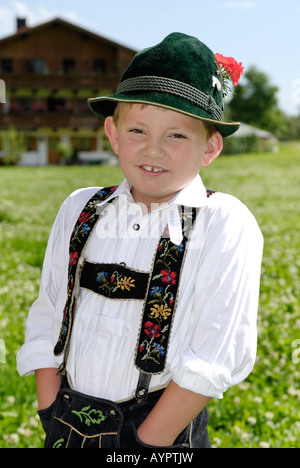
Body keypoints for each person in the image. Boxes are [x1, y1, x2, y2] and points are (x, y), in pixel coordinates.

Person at [17, 33, 263, 448]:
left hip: (160, 432)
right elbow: (49, 312)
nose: (154, 149)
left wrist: (144, 442)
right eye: (137, 130)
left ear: (211, 147)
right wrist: (49, 410)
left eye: (177, 135)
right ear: (113, 134)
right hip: (66, 418)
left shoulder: (222, 221)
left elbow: (213, 355)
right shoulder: (81, 208)